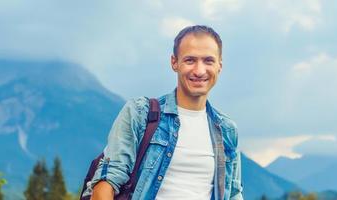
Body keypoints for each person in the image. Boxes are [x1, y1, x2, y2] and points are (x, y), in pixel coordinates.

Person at [84, 25, 243, 200]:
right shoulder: (141, 113)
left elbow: (233, 193)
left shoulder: (227, 129)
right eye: (190, 60)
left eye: (208, 61)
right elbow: (108, 180)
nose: (199, 70)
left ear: (219, 66)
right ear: (174, 62)